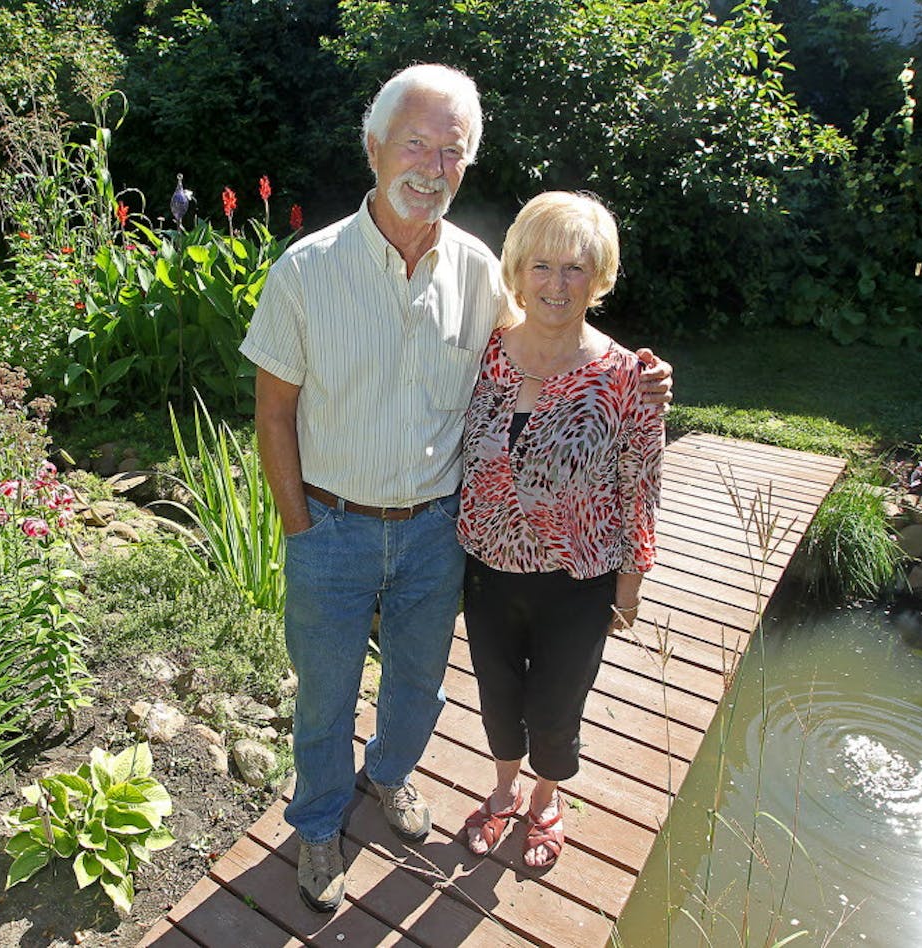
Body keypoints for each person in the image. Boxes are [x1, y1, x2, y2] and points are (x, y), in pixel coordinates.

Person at [240, 65, 672, 913]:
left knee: (416, 683)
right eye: (416, 143)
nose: (432, 166)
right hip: (331, 524)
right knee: (325, 693)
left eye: (453, 151)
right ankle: (320, 824)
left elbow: (554, 330)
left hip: (440, 532)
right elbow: (275, 417)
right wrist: (301, 529)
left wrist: (639, 371)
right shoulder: (306, 271)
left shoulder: (479, 272)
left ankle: (391, 777)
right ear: (374, 146)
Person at [457, 191, 665, 870]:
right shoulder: (484, 355)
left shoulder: (628, 377)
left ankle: (547, 798)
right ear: (517, 271)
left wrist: (628, 591)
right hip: (487, 570)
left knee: (554, 705)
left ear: (598, 278)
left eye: (576, 268)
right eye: (542, 265)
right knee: (496, 696)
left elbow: (642, 488)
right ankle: (505, 789)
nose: (556, 283)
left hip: (577, 579)